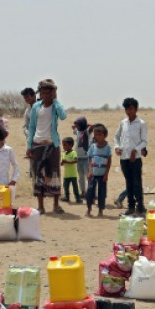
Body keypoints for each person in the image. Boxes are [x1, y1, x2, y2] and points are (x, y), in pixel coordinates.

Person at [25, 79, 67, 214]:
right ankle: (41, 206)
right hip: (38, 144)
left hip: (52, 144)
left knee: (54, 173)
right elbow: (31, 127)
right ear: (41, 94)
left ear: (52, 93)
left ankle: (56, 205)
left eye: (50, 93)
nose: (47, 95)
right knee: (38, 175)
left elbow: (63, 116)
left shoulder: (55, 106)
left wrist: (56, 100)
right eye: (44, 93)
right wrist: (29, 145)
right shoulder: (36, 107)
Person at [114, 97, 149, 216]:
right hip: (124, 158)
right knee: (128, 183)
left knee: (137, 183)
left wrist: (136, 150)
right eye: (126, 109)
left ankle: (140, 207)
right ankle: (131, 207)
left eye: (131, 109)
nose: (129, 111)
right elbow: (116, 137)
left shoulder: (141, 124)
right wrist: (117, 147)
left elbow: (144, 141)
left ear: (136, 109)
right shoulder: (123, 123)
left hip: (136, 158)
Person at [87, 124, 113, 217]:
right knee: (90, 191)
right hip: (93, 174)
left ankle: (100, 210)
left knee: (102, 193)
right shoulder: (93, 147)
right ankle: (89, 209)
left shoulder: (107, 148)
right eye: (96, 134)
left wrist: (106, 174)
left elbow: (109, 162)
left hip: (102, 174)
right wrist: (90, 171)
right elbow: (90, 159)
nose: (97, 136)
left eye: (99, 134)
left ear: (104, 135)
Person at [73, 117, 91, 198]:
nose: (77, 126)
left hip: (86, 157)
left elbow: (93, 127)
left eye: (78, 125)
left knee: (88, 176)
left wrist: (88, 125)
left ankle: (91, 192)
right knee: (80, 176)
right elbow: (73, 128)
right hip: (78, 157)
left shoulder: (86, 132)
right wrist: (75, 126)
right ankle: (83, 192)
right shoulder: (78, 132)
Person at [60, 137, 80, 203]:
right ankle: (67, 197)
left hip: (73, 174)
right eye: (63, 145)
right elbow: (62, 164)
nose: (64, 147)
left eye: (65, 145)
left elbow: (75, 160)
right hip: (66, 175)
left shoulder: (73, 153)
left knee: (75, 187)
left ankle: (78, 198)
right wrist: (62, 162)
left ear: (71, 145)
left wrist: (66, 161)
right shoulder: (64, 154)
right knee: (66, 187)